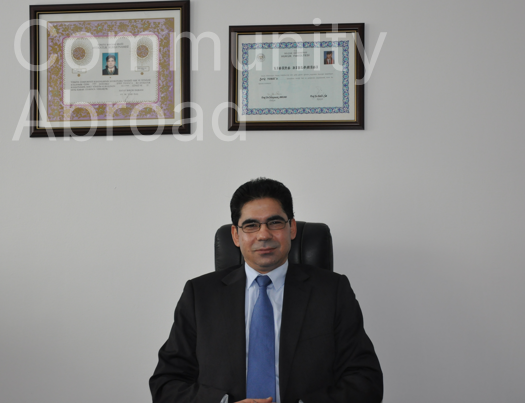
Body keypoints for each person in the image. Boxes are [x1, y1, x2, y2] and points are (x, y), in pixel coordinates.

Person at [149, 178, 383, 403]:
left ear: (291, 228)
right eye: (251, 225)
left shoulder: (331, 292)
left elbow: (366, 379)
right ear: (236, 235)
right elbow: (166, 383)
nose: (263, 235)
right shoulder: (200, 295)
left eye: (275, 222)